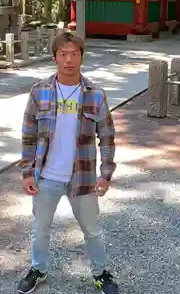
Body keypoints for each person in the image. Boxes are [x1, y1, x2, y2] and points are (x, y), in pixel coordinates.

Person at [17, 32, 118, 294]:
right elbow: (28, 135)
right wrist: (27, 172)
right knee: (40, 230)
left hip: (82, 177)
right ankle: (38, 269)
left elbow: (106, 136)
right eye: (63, 54)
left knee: (92, 231)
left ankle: (100, 273)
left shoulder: (95, 94)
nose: (69, 60)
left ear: (82, 57)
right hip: (46, 177)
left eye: (74, 54)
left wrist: (106, 174)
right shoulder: (39, 92)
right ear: (55, 58)